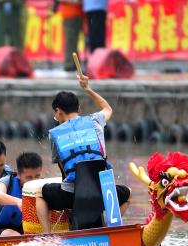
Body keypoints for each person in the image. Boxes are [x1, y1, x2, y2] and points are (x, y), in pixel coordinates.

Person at [35, 74, 131, 233]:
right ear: (78, 109)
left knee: (40, 193)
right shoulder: (95, 121)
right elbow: (108, 108)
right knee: (128, 194)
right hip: (102, 191)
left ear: (58, 111)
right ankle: (107, 230)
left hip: (73, 194)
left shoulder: (55, 133)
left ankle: (48, 237)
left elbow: (64, 169)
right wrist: (87, 88)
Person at [0, 152, 43, 237]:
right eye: (29, 177)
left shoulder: (43, 184)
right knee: (12, 234)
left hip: (27, 229)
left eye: (37, 176)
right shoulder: (7, 181)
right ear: (19, 175)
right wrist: (18, 202)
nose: (34, 181)